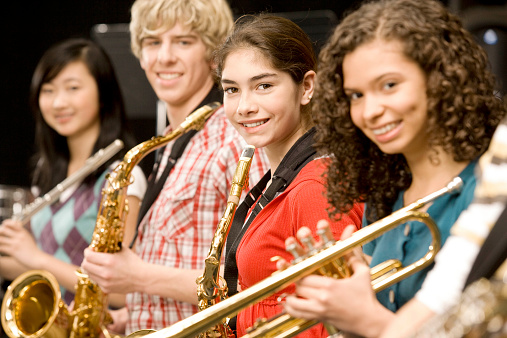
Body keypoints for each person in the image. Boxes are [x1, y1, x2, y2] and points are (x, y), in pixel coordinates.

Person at [277, 0, 507, 336]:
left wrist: (369, 320)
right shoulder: (387, 198)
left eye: (389, 85)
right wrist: (339, 295)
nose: (369, 111)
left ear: (440, 78)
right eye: (355, 95)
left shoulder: (489, 193)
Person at [80, 0, 268, 335]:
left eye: (183, 41)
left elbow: (256, 279)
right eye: (153, 42)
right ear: (140, 54)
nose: (164, 57)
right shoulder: (169, 143)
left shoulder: (235, 138)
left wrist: (137, 277)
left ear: (214, 56)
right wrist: (130, 316)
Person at [214, 14, 364, 337]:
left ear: (307, 87)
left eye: (263, 86)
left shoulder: (316, 186)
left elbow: (336, 325)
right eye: (231, 90)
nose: (244, 107)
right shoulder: (286, 177)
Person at [0, 38, 147, 306]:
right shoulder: (46, 170)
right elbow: (45, 268)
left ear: (103, 94)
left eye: (73, 88)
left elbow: (125, 293)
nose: (58, 103)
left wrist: (34, 257)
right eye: (48, 90)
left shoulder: (123, 177)